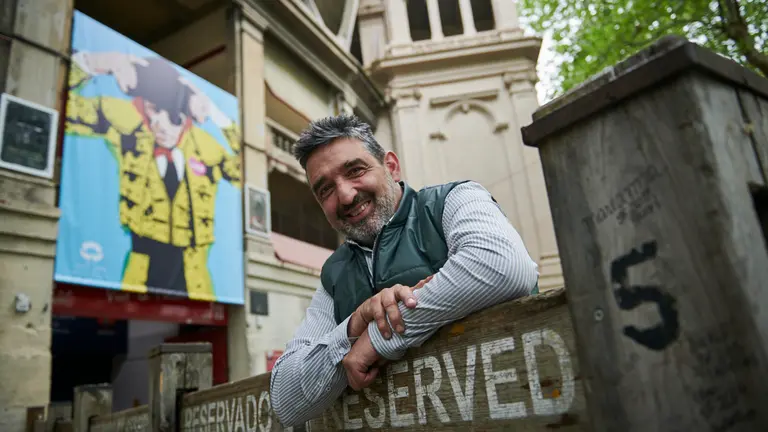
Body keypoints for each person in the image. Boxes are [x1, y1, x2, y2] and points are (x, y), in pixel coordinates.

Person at [269, 114, 539, 426]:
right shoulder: (333, 275)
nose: (345, 195)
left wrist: (375, 339)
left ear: (391, 167)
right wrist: (353, 326)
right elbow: (285, 401)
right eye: (325, 190)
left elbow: (504, 266)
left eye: (355, 170)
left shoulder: (452, 201)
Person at [66, 51, 241, 300]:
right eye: (152, 111)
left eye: (172, 115)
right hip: (140, 272)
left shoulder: (205, 146)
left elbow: (245, 174)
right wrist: (97, 63)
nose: (161, 124)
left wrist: (217, 115)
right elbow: (65, 107)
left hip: (195, 277)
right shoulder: (127, 126)